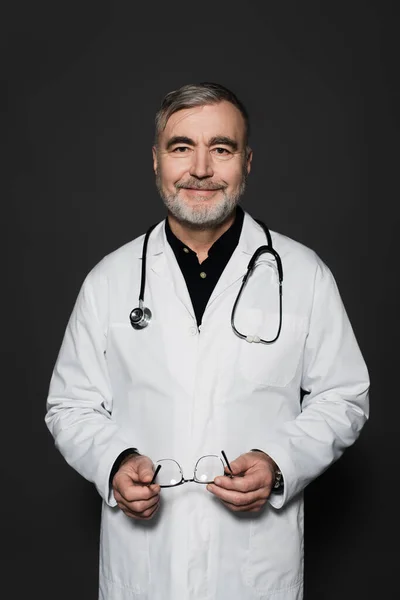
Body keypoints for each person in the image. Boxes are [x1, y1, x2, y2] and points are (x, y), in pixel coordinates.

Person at [45, 82, 370, 600]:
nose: (200, 168)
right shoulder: (109, 280)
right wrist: (113, 462)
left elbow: (344, 396)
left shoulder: (303, 275)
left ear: (246, 162)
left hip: (252, 566)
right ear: (156, 160)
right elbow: (70, 405)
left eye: (221, 148)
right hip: (145, 567)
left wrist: (278, 461)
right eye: (181, 147)